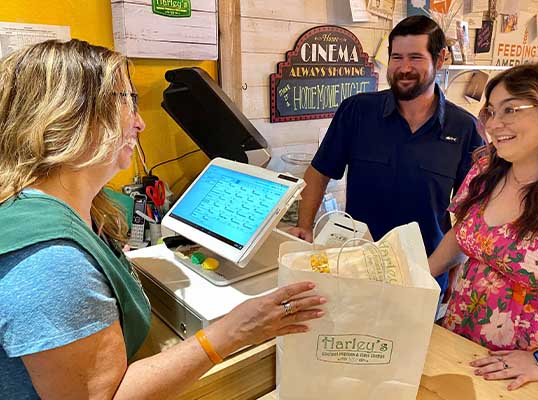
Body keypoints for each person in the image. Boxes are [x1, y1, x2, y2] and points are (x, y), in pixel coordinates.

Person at [0, 39, 326, 399]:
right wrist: (234, 329)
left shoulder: (64, 205)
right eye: (127, 103)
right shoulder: (51, 262)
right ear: (74, 116)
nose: (139, 124)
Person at [428, 62, 538, 399]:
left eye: (511, 109)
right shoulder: (486, 168)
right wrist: (410, 281)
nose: (494, 124)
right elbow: (462, 236)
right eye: (491, 111)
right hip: (463, 342)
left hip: (537, 373)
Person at [289, 16, 484, 294]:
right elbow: (319, 172)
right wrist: (304, 227)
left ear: (440, 59)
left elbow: (472, 213)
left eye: (416, 57)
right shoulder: (356, 111)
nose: (404, 68)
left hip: (424, 273)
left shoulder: (465, 128)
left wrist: (453, 270)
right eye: (397, 57)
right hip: (355, 267)